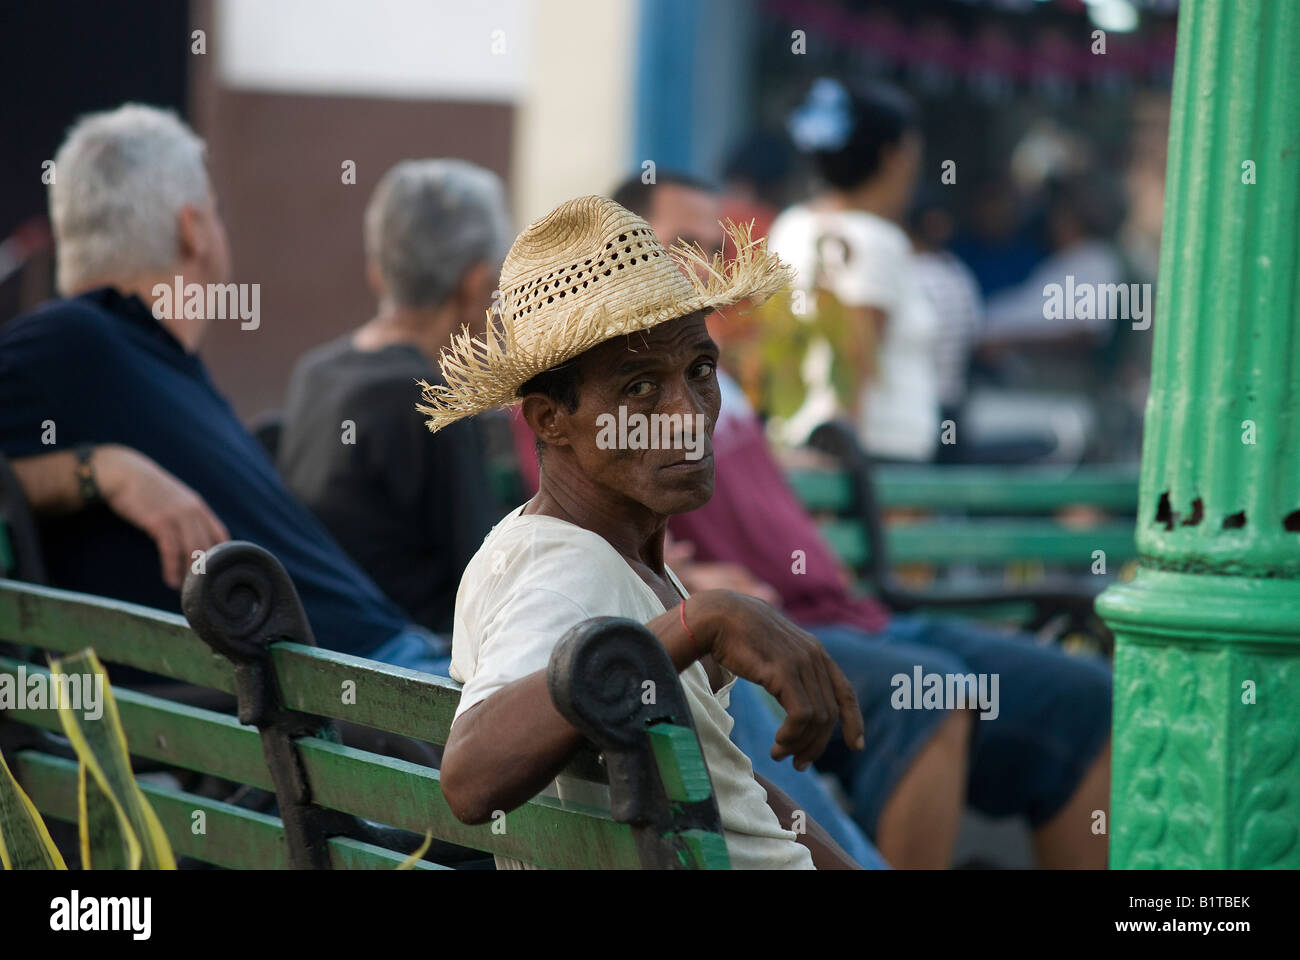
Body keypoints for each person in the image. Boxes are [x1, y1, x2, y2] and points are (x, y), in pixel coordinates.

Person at [616, 172, 1114, 869]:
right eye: (681, 245)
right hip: (761, 633)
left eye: (713, 246)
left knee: (1081, 694)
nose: (704, 265)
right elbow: (580, 520)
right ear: (627, 256)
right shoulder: (602, 385)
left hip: (855, 611)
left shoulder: (710, 371)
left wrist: (800, 459)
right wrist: (691, 578)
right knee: (934, 697)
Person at [428, 194, 866, 870]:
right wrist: (701, 622)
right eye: (638, 389)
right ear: (549, 420)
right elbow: (470, 777)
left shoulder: (596, 553)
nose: (687, 416)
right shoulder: (565, 571)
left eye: (699, 372)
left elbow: (732, 794)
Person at [0, 104, 438, 669]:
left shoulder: (140, 352)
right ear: (194, 229)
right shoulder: (74, 339)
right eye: (217, 210)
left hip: (378, 673)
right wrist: (98, 470)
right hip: (358, 701)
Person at [277, 160, 508, 636]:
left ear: (378, 271)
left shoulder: (316, 371)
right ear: (475, 282)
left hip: (321, 655)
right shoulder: (431, 401)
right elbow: (489, 582)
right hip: (405, 673)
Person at [769, 77, 941, 462]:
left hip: (801, 446)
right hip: (869, 461)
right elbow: (851, 362)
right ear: (893, 157)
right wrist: (839, 470)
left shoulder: (791, 226)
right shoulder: (875, 239)